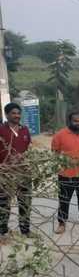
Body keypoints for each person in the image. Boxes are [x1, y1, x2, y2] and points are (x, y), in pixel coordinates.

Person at [0, 102, 32, 241]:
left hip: (23, 173)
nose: (17, 115)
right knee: (3, 204)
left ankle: (25, 230)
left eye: (18, 113)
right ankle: (3, 232)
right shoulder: (1, 130)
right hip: (5, 174)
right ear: (7, 115)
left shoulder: (24, 130)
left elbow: (27, 149)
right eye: (13, 113)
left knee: (25, 203)